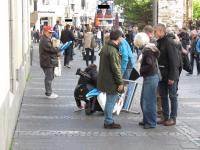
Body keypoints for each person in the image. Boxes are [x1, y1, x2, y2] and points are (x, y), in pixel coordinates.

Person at [154, 24, 180, 126]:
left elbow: (174, 61)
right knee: (163, 96)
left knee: (172, 96)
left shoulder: (169, 42)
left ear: (161, 31)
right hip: (161, 74)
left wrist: (172, 77)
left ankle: (173, 118)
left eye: (155, 31)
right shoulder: (159, 42)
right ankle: (165, 116)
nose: (155, 33)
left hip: (170, 74)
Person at [97, 30, 124, 129]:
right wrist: (120, 82)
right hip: (110, 80)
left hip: (106, 78)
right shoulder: (112, 50)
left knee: (110, 100)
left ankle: (108, 120)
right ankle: (108, 121)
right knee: (111, 100)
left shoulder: (106, 47)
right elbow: (116, 68)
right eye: (121, 37)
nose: (121, 39)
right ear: (118, 38)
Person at [134, 32, 160, 129]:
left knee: (148, 101)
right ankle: (147, 120)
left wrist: (140, 70)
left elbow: (150, 65)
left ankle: (151, 122)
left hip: (151, 76)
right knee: (145, 100)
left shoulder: (148, 51)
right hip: (151, 76)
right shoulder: (149, 48)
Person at [39, 26, 60, 99]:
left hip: (48, 61)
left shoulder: (46, 38)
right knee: (49, 77)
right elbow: (51, 49)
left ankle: (49, 92)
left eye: (51, 32)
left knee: (50, 77)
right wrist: (58, 48)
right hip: (47, 62)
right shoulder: (45, 40)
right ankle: (49, 93)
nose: (51, 34)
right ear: (45, 32)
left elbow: (52, 50)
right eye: (49, 32)